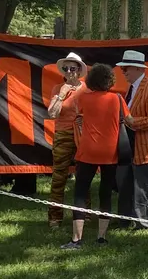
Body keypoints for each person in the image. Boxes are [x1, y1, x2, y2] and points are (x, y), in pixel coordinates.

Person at [62, 63, 129, 250]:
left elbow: (67, 108)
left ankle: (76, 239)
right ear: (110, 80)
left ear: (91, 80)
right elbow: (129, 120)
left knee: (80, 193)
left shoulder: (84, 97)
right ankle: (101, 237)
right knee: (105, 193)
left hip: (88, 150)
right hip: (110, 152)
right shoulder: (117, 99)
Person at [116, 49, 148, 230]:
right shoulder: (133, 87)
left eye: (125, 68)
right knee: (127, 183)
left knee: (143, 185)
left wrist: (131, 121)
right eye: (122, 69)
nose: (123, 72)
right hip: (130, 144)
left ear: (137, 68)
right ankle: (126, 218)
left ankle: (144, 222)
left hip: (144, 146)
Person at [46, 52, 88, 228]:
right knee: (59, 176)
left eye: (73, 68)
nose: (69, 72)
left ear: (79, 70)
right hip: (63, 134)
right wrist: (61, 95)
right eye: (66, 68)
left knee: (84, 175)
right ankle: (55, 216)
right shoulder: (58, 88)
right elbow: (52, 113)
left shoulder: (87, 89)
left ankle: (84, 214)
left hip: (83, 135)